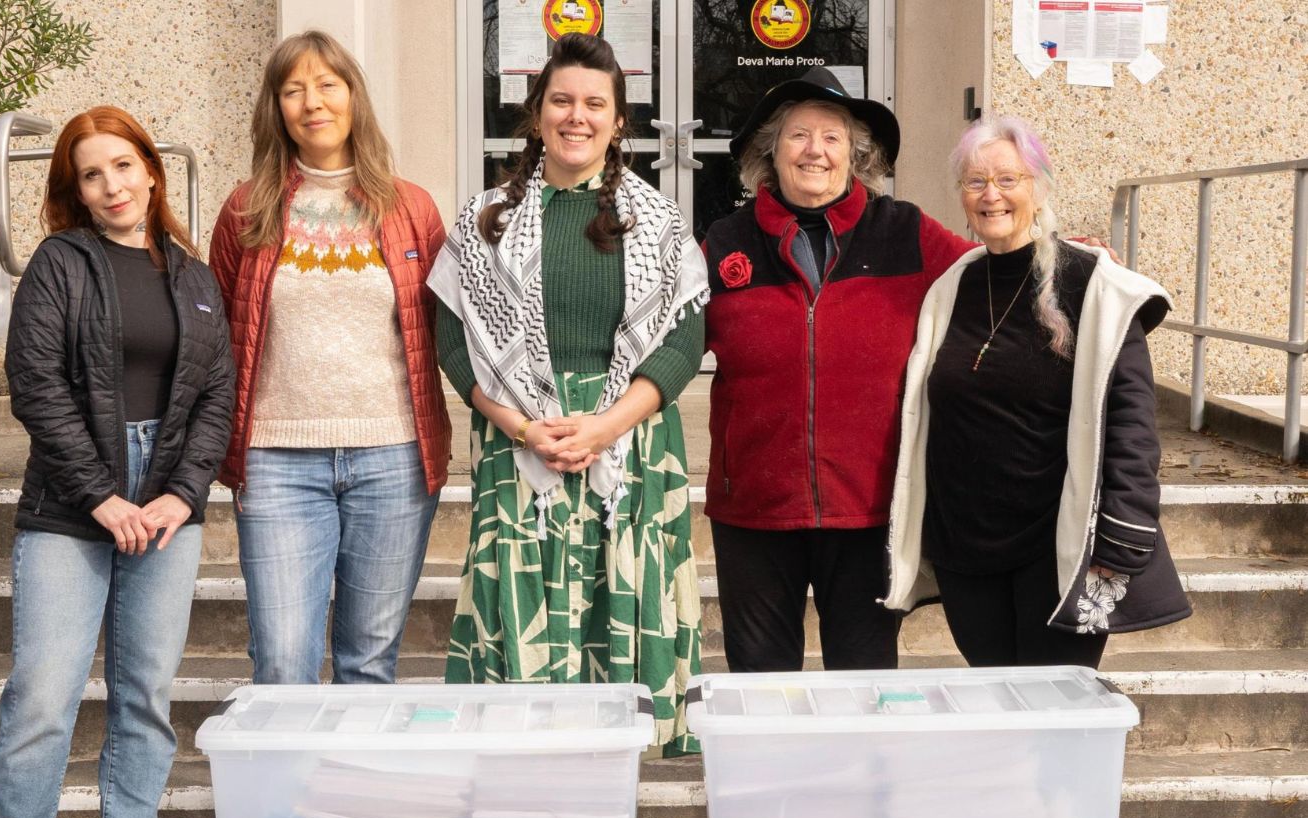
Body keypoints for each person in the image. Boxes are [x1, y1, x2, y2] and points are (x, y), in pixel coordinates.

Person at [429, 33, 708, 754]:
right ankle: (525, 768)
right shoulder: (485, 220)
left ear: (619, 122)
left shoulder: (660, 221)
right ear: (537, 113)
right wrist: (525, 430)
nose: (576, 116)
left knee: (621, 594)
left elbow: (684, 340)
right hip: (522, 441)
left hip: (630, 444)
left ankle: (621, 776)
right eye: (561, 100)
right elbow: (454, 343)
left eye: (594, 103)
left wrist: (606, 426)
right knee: (523, 599)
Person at [0, 106, 234, 818]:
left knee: (144, 700)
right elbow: (38, 386)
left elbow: (216, 397)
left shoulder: (193, 277)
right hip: (71, 504)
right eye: (92, 174)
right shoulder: (60, 264)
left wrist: (178, 496)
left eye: (123, 166)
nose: (112, 185)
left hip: (166, 503)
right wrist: (102, 497)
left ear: (151, 170)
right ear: (76, 190)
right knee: (43, 704)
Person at [881, 115, 1191, 665]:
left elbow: (1131, 424)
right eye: (975, 182)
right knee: (996, 700)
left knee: (1056, 711)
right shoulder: (950, 287)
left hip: (1057, 547)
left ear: (1039, 187)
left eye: (1008, 179)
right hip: (964, 548)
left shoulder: (1093, 284)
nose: (990, 195)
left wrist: (1123, 533)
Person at [701, 67, 976, 673]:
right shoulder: (725, 243)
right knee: (759, 682)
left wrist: (1065, 255)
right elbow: (661, 341)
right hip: (754, 506)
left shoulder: (905, 232)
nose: (815, 151)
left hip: (867, 507)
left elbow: (990, 276)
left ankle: (856, 775)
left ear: (857, 154)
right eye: (799, 135)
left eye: (832, 137)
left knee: (863, 678)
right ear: (770, 149)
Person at [209, 30, 450, 685]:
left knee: (368, 662)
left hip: (393, 457)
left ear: (352, 96)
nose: (312, 102)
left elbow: (445, 330)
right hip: (276, 460)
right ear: (276, 107)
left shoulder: (411, 208)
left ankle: (348, 791)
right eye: (293, 89)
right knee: (283, 661)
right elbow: (220, 337)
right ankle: (283, 792)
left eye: (326, 84)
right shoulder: (244, 209)